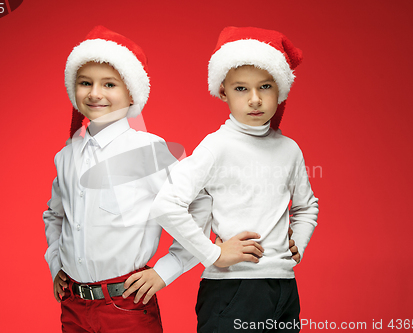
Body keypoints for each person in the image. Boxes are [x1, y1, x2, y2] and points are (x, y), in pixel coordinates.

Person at [43, 25, 211, 333]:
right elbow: (55, 215)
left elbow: (200, 205)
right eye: (85, 83)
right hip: (74, 307)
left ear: (131, 92)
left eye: (109, 84)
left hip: (126, 306)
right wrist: (56, 263)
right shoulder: (66, 155)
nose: (95, 93)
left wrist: (166, 270)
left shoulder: (149, 150)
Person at [151, 26, 319, 332]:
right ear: (223, 91)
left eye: (265, 87)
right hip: (233, 290)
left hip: (283, 288)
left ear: (279, 89)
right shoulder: (217, 146)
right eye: (241, 88)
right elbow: (166, 204)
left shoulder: (289, 150)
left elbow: (307, 207)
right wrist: (214, 253)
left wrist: (299, 243)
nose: (255, 99)